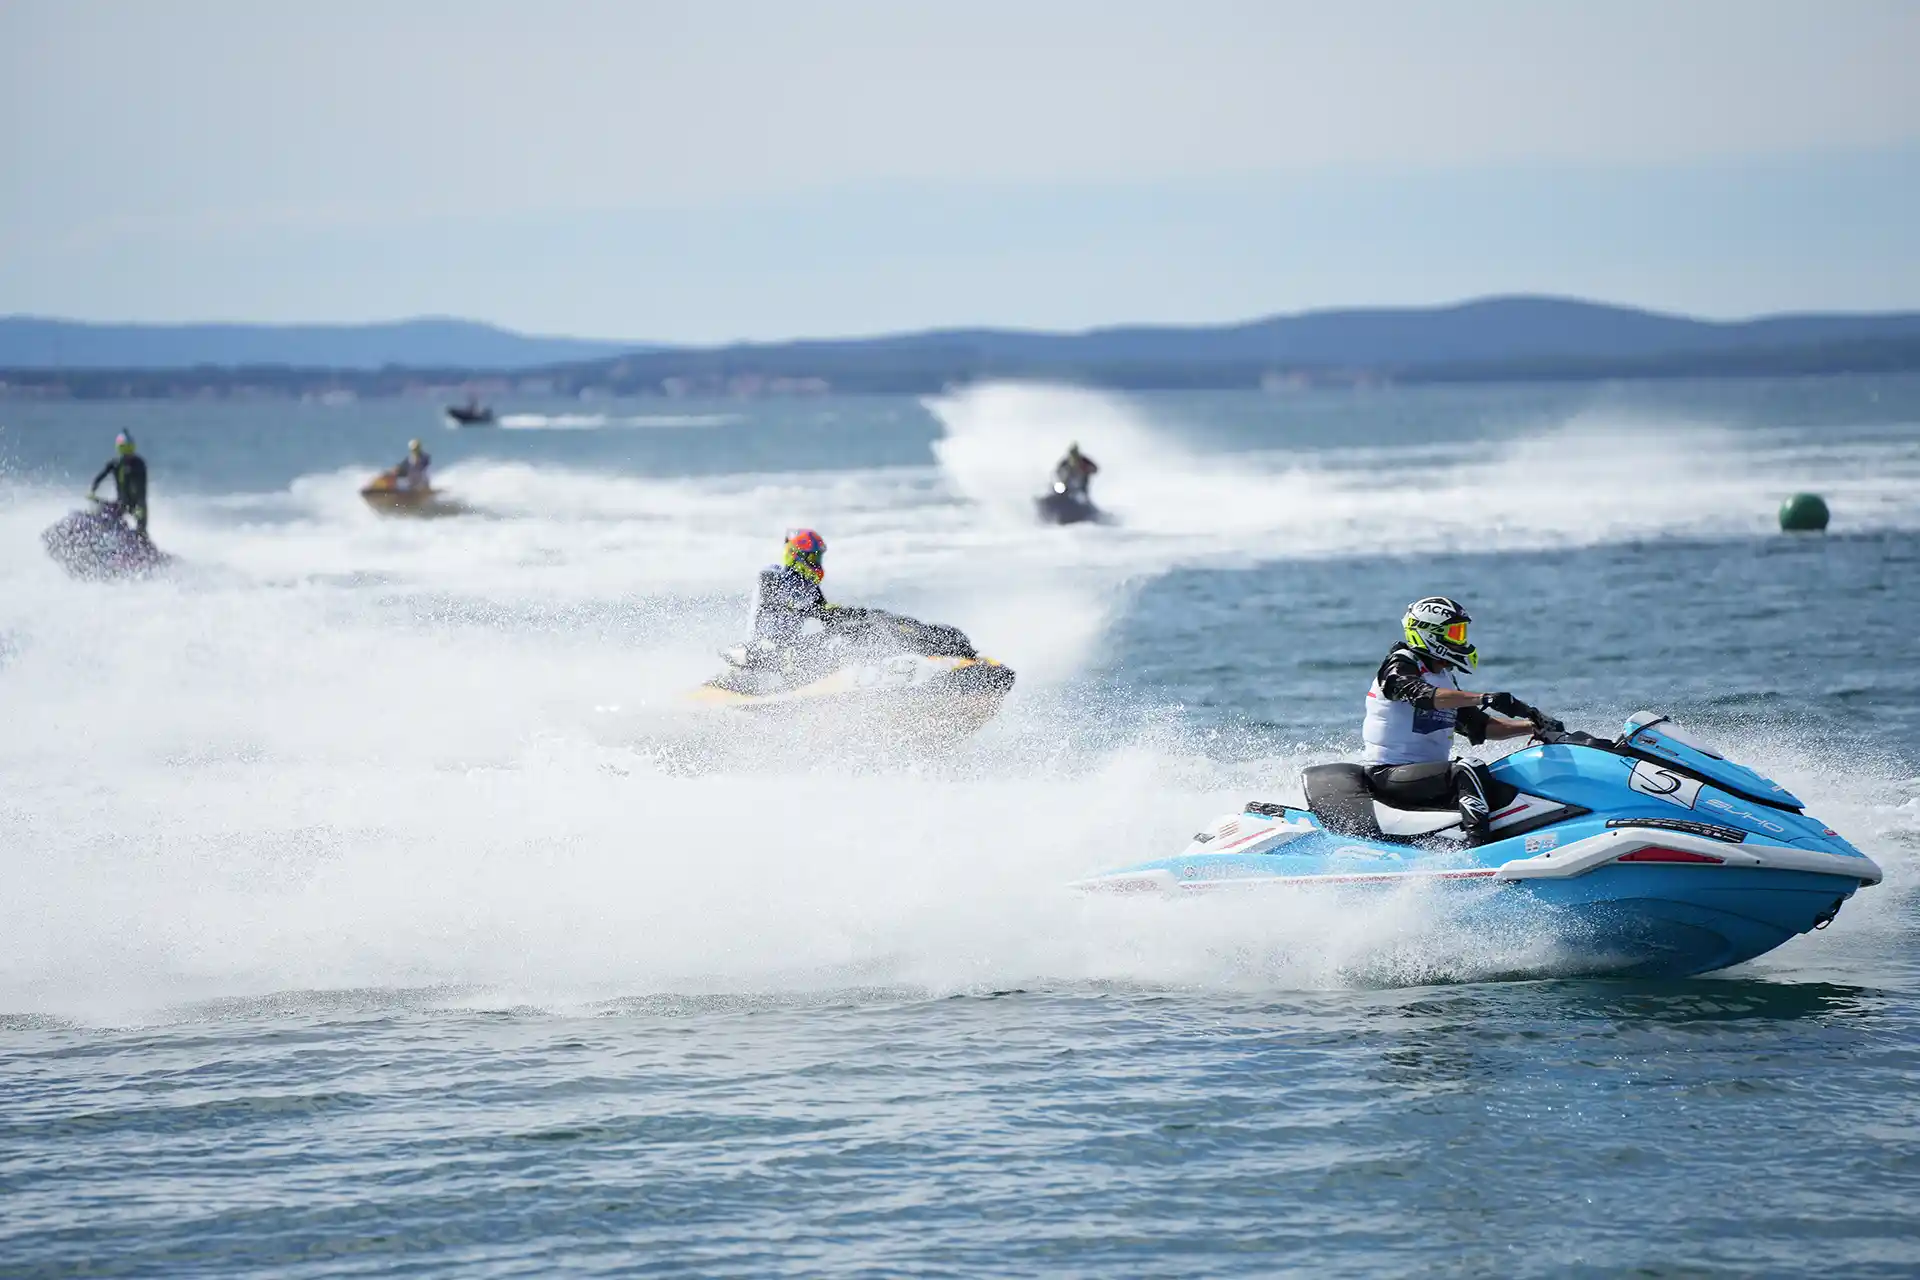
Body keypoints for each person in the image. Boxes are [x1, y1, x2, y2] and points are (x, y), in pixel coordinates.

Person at [1362, 596, 1560, 831]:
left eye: (1462, 633)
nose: (1461, 640)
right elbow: (1423, 696)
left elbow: (1479, 725)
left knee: (1501, 778)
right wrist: (1484, 697)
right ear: (1429, 634)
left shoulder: (1445, 678)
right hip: (1389, 775)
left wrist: (1533, 726)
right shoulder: (1398, 666)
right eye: (1454, 633)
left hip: (1429, 776)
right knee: (1467, 769)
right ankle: (1477, 853)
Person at [750, 528, 830, 646]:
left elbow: (826, 616)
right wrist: (806, 611)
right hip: (763, 646)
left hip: (792, 646)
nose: (816, 563)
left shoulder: (811, 588)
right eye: (813, 558)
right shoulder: (773, 574)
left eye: (818, 558)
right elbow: (771, 605)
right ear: (797, 554)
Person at [89, 431, 149, 539]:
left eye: (129, 449)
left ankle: (143, 544)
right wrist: (92, 491)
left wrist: (140, 506)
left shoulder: (139, 464)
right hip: (121, 503)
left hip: (137, 505)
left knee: (141, 531)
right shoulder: (115, 464)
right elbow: (100, 477)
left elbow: (141, 487)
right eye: (124, 449)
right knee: (102, 514)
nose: (127, 454)